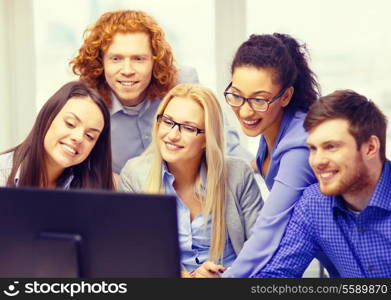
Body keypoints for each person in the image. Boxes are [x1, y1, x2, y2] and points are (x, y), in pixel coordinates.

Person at [70, 10, 252, 174]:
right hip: (126, 200)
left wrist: (260, 167)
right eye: (116, 59)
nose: (127, 70)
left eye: (139, 59)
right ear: (101, 62)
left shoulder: (183, 84)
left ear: (154, 61)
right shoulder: (87, 103)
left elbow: (223, 143)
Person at [118, 84, 263, 277]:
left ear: (206, 139)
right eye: (167, 121)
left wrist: (225, 276)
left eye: (188, 128)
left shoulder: (238, 174)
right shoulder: (135, 175)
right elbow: (133, 255)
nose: (172, 135)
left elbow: (262, 249)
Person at [256, 89, 391, 277]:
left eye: (331, 147)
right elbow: (277, 273)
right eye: (312, 148)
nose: (317, 161)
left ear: (370, 148)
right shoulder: (314, 203)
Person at [221, 33, 320, 277]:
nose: (244, 110)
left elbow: (270, 228)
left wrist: (228, 279)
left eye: (259, 100)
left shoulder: (299, 147)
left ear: (286, 96)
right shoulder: (273, 131)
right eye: (237, 95)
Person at [0, 81, 114, 189]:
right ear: (47, 118)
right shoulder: (3, 172)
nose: (79, 138)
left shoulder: (94, 188)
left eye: (90, 136)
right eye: (70, 124)